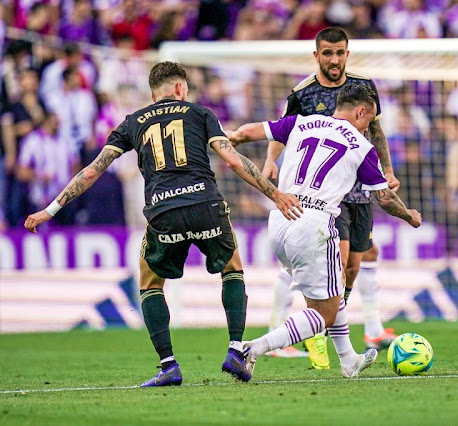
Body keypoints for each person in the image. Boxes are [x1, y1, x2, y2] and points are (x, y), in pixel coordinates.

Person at [24, 61, 302, 386]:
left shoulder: (132, 123)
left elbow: (91, 171)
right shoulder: (200, 114)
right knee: (232, 268)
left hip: (163, 210)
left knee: (150, 283)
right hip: (205, 204)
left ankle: (169, 365)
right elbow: (233, 159)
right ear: (181, 88)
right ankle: (235, 350)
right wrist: (276, 195)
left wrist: (50, 210)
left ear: (153, 92)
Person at [227, 83, 422, 378]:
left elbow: (249, 132)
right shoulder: (361, 146)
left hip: (281, 218)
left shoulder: (301, 122)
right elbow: (383, 197)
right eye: (369, 121)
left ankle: (348, 360)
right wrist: (410, 215)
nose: (368, 128)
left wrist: (231, 137)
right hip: (314, 223)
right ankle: (249, 349)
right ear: (360, 112)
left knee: (333, 290)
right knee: (324, 313)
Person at [261, 27, 400, 367]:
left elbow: (376, 132)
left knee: (355, 263)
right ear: (317, 55)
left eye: (340, 53)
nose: (334, 59)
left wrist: (388, 170)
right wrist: (269, 160)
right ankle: (315, 329)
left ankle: (335, 330)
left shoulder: (364, 87)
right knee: (336, 258)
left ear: (347, 54)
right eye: (327, 53)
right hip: (323, 195)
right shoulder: (303, 92)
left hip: (360, 189)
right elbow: (284, 127)